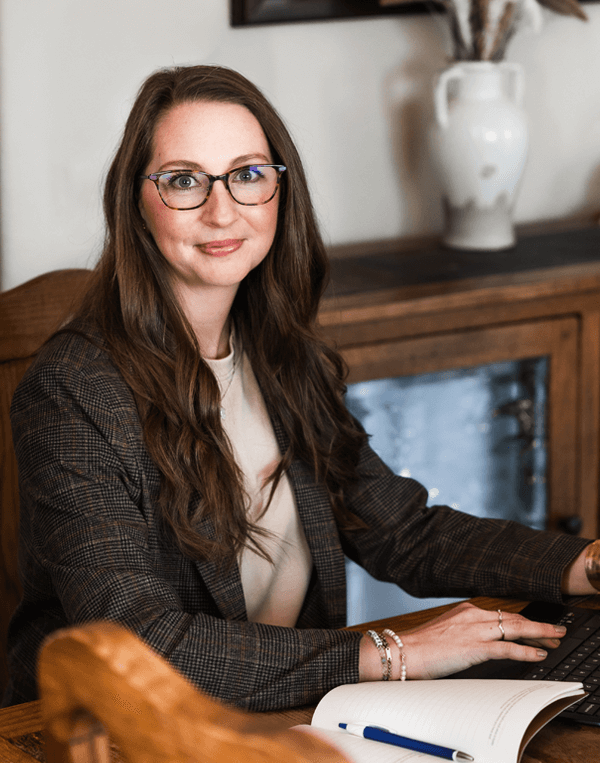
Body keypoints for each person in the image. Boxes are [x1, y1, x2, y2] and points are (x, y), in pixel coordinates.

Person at [4, 65, 597, 710]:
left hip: (283, 710)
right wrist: (393, 654)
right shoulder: (72, 391)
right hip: (110, 731)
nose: (222, 208)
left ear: (281, 192)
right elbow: (139, 643)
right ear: (135, 203)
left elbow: (402, 531)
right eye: (182, 181)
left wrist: (586, 564)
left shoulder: (280, 352)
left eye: (248, 175)